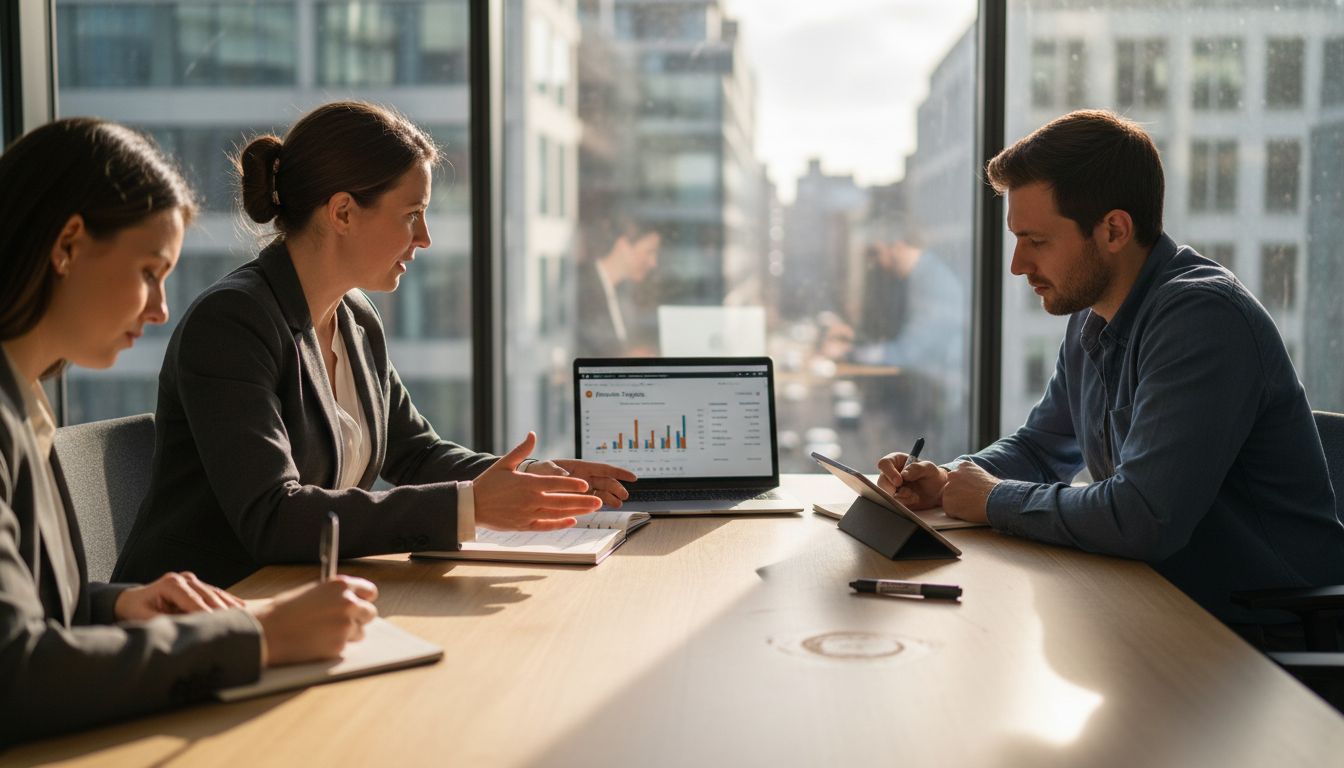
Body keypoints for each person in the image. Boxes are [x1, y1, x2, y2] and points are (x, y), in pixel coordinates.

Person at [114, 101, 636, 589]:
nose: (425, 236)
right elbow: (272, 516)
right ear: (342, 212)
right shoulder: (232, 322)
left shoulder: (355, 317)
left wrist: (525, 481)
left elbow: (415, 453)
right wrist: (470, 506)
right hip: (204, 609)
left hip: (303, 596)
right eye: (412, 214)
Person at [877, 109, 1344, 624]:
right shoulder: (1091, 317)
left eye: (1037, 241)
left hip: (1263, 636)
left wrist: (993, 499)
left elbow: (1143, 517)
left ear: (1114, 230)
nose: (1018, 265)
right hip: (1162, 607)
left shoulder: (1203, 319)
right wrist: (947, 480)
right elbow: (1041, 447)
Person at [0, 118, 378, 745]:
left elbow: (25, 610)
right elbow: (15, 676)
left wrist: (118, 605)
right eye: (150, 271)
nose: (161, 308)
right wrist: (261, 637)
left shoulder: (22, 401)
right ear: (67, 245)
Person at [576, 217, 661, 357]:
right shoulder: (583, 289)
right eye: (649, 251)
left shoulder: (621, 295)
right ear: (623, 246)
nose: (653, 263)